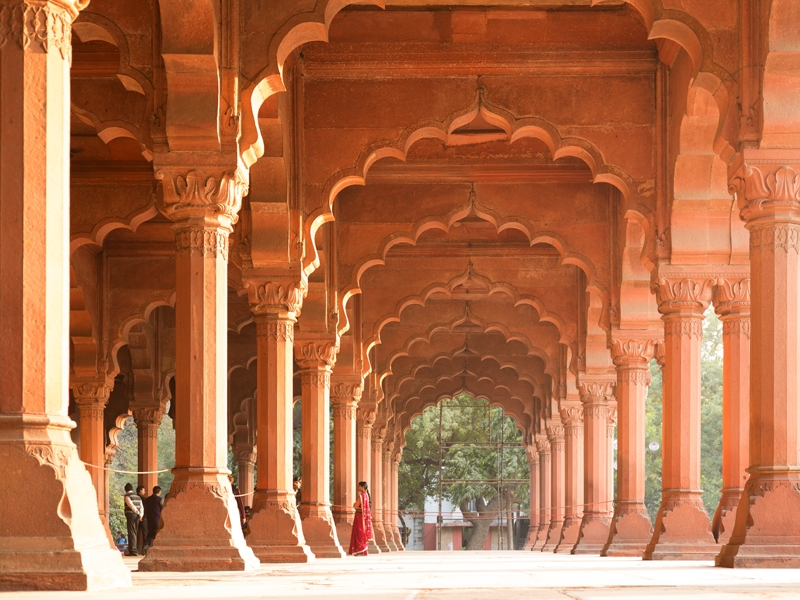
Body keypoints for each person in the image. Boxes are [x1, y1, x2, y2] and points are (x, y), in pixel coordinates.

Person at [348, 481, 373, 556]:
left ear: (362, 487)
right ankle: (363, 550)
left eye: (359, 486)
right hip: (364, 518)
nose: (358, 488)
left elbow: (355, 506)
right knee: (362, 532)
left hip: (359, 517)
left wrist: (354, 505)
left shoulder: (361, 496)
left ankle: (360, 550)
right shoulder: (367, 496)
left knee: (359, 532)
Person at [123, 483, 144, 556]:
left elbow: (131, 506)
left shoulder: (127, 496)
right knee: (135, 532)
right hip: (137, 516)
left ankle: (133, 551)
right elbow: (141, 507)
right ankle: (135, 550)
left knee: (131, 532)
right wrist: (140, 515)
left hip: (131, 515)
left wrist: (137, 512)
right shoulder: (138, 497)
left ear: (125, 490)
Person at [143, 486, 163, 551]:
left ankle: (146, 546)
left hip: (149, 518)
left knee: (150, 533)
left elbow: (145, 508)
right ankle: (156, 547)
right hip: (157, 518)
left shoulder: (147, 499)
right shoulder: (160, 499)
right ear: (159, 492)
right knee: (157, 533)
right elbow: (163, 508)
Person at [135, 485, 148, 554]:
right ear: (140, 490)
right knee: (145, 533)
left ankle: (136, 549)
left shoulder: (134, 498)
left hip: (135, 517)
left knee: (136, 533)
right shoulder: (144, 499)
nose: (144, 492)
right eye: (143, 490)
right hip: (144, 517)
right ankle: (145, 549)